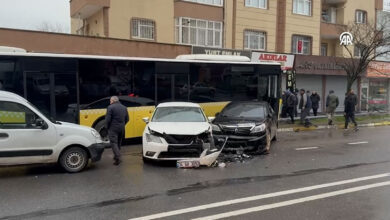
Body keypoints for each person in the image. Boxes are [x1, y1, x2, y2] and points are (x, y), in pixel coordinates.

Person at [106, 96, 129, 165]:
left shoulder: (110, 107)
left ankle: (118, 157)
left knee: (113, 143)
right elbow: (127, 119)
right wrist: (122, 124)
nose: (110, 102)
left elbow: (108, 119)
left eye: (110, 101)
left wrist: (107, 127)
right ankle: (116, 157)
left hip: (113, 128)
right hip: (121, 128)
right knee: (118, 143)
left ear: (113, 101)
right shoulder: (124, 107)